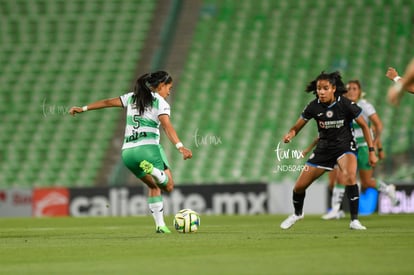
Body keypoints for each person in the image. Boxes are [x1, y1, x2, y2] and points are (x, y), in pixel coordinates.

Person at [69, 71, 192, 233]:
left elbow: (107, 102)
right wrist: (180, 146)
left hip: (128, 153)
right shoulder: (160, 102)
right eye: (169, 87)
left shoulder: (132, 97)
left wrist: (83, 108)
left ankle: (160, 226)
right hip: (148, 149)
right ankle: (154, 170)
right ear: (161, 86)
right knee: (168, 186)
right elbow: (166, 126)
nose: (169, 91)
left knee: (153, 186)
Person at [280, 71, 377, 230]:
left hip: (344, 147)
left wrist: (372, 151)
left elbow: (365, 126)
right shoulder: (313, 106)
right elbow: (296, 127)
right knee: (298, 187)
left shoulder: (345, 104)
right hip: (324, 149)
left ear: (333, 89)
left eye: (325, 88)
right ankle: (297, 214)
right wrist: (291, 134)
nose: (321, 92)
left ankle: (354, 220)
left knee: (350, 176)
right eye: (319, 88)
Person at [321, 80, 399, 220]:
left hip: (363, 147)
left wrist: (375, 146)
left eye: (354, 88)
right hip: (348, 147)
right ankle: (335, 209)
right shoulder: (342, 107)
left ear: (359, 91)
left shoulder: (365, 106)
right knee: (341, 176)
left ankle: (388, 190)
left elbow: (378, 126)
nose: (351, 91)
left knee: (367, 182)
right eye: (348, 88)